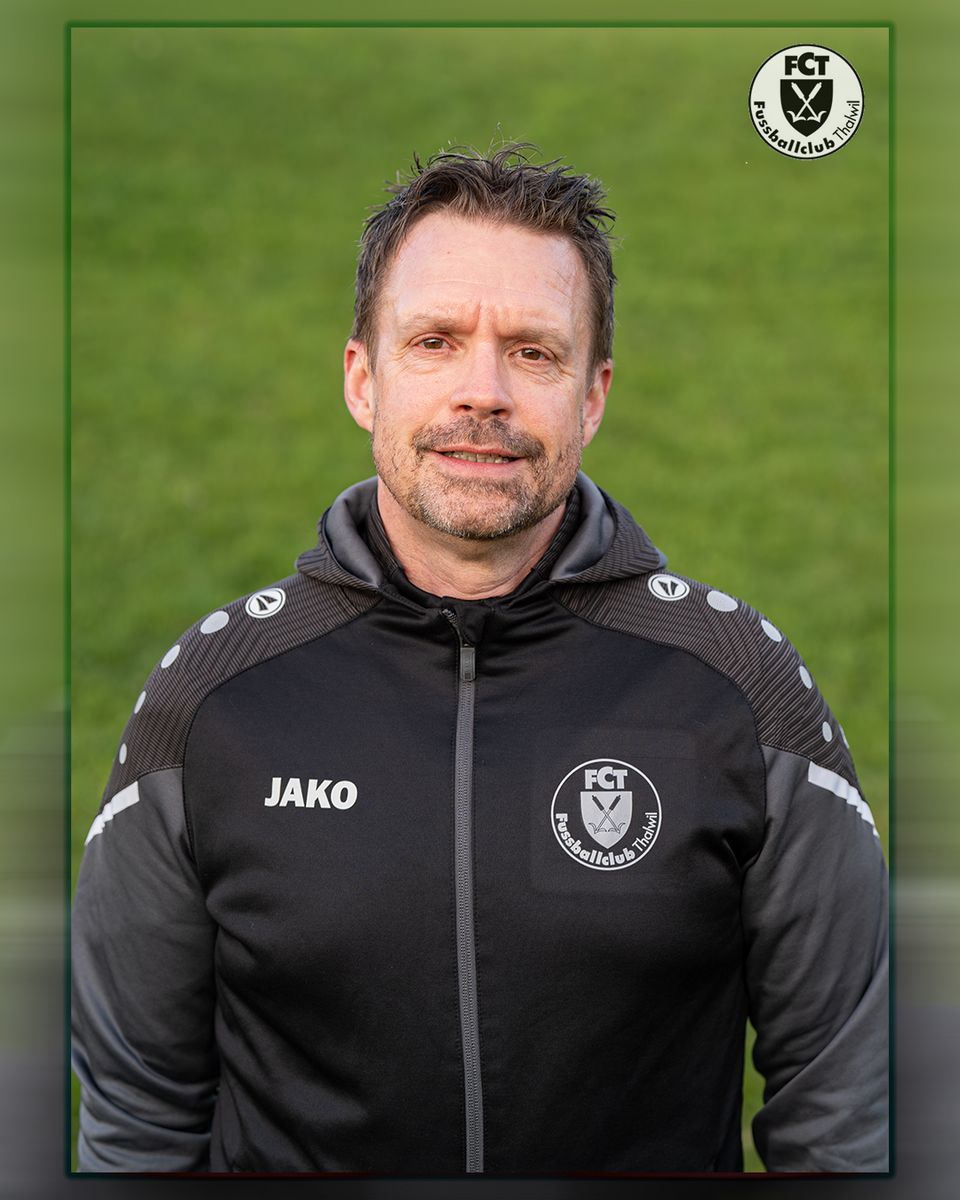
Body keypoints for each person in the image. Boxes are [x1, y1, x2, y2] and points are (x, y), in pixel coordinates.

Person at [72, 144, 888, 1175]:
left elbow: (848, 1108)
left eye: (534, 353)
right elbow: (138, 1120)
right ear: (363, 380)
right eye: (436, 342)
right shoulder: (208, 702)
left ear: (593, 396)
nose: (483, 392)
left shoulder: (742, 690)